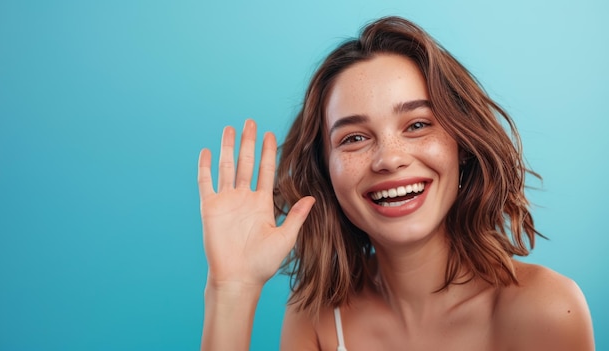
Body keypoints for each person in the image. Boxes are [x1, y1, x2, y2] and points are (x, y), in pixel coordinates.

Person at [197, 16, 594, 351]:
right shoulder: (316, 317)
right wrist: (232, 289)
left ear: (463, 146)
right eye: (354, 138)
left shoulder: (546, 309)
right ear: (326, 172)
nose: (389, 158)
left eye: (418, 125)